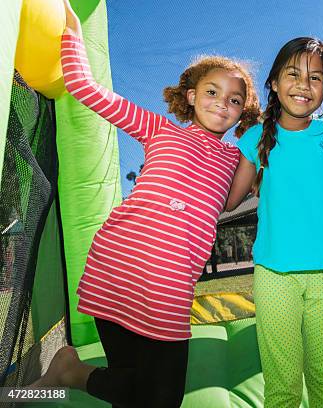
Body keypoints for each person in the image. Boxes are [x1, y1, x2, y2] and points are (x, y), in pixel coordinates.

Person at [31, 1, 260, 407]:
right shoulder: (158, 129)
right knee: (134, 387)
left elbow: (226, 202)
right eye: (212, 92)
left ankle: (71, 372)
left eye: (235, 100)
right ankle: (47, 380)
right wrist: (71, 31)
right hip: (119, 266)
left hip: (170, 285)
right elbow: (85, 88)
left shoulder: (235, 159)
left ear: (244, 111)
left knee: (161, 398)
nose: (223, 103)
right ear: (190, 95)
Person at [225, 37, 323, 407]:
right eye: (293, 74)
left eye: (316, 78)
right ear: (273, 82)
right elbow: (229, 198)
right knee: (282, 387)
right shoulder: (256, 138)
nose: (304, 84)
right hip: (274, 277)